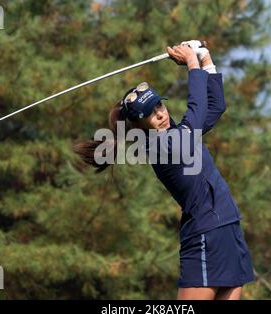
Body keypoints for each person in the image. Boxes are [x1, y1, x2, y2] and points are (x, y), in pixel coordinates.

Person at [74, 41, 254, 300]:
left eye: (159, 105)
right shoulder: (160, 145)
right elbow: (197, 111)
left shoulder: (177, 133)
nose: (160, 114)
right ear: (139, 125)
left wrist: (206, 60)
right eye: (150, 113)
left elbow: (214, 107)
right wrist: (192, 65)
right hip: (205, 233)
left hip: (228, 226)